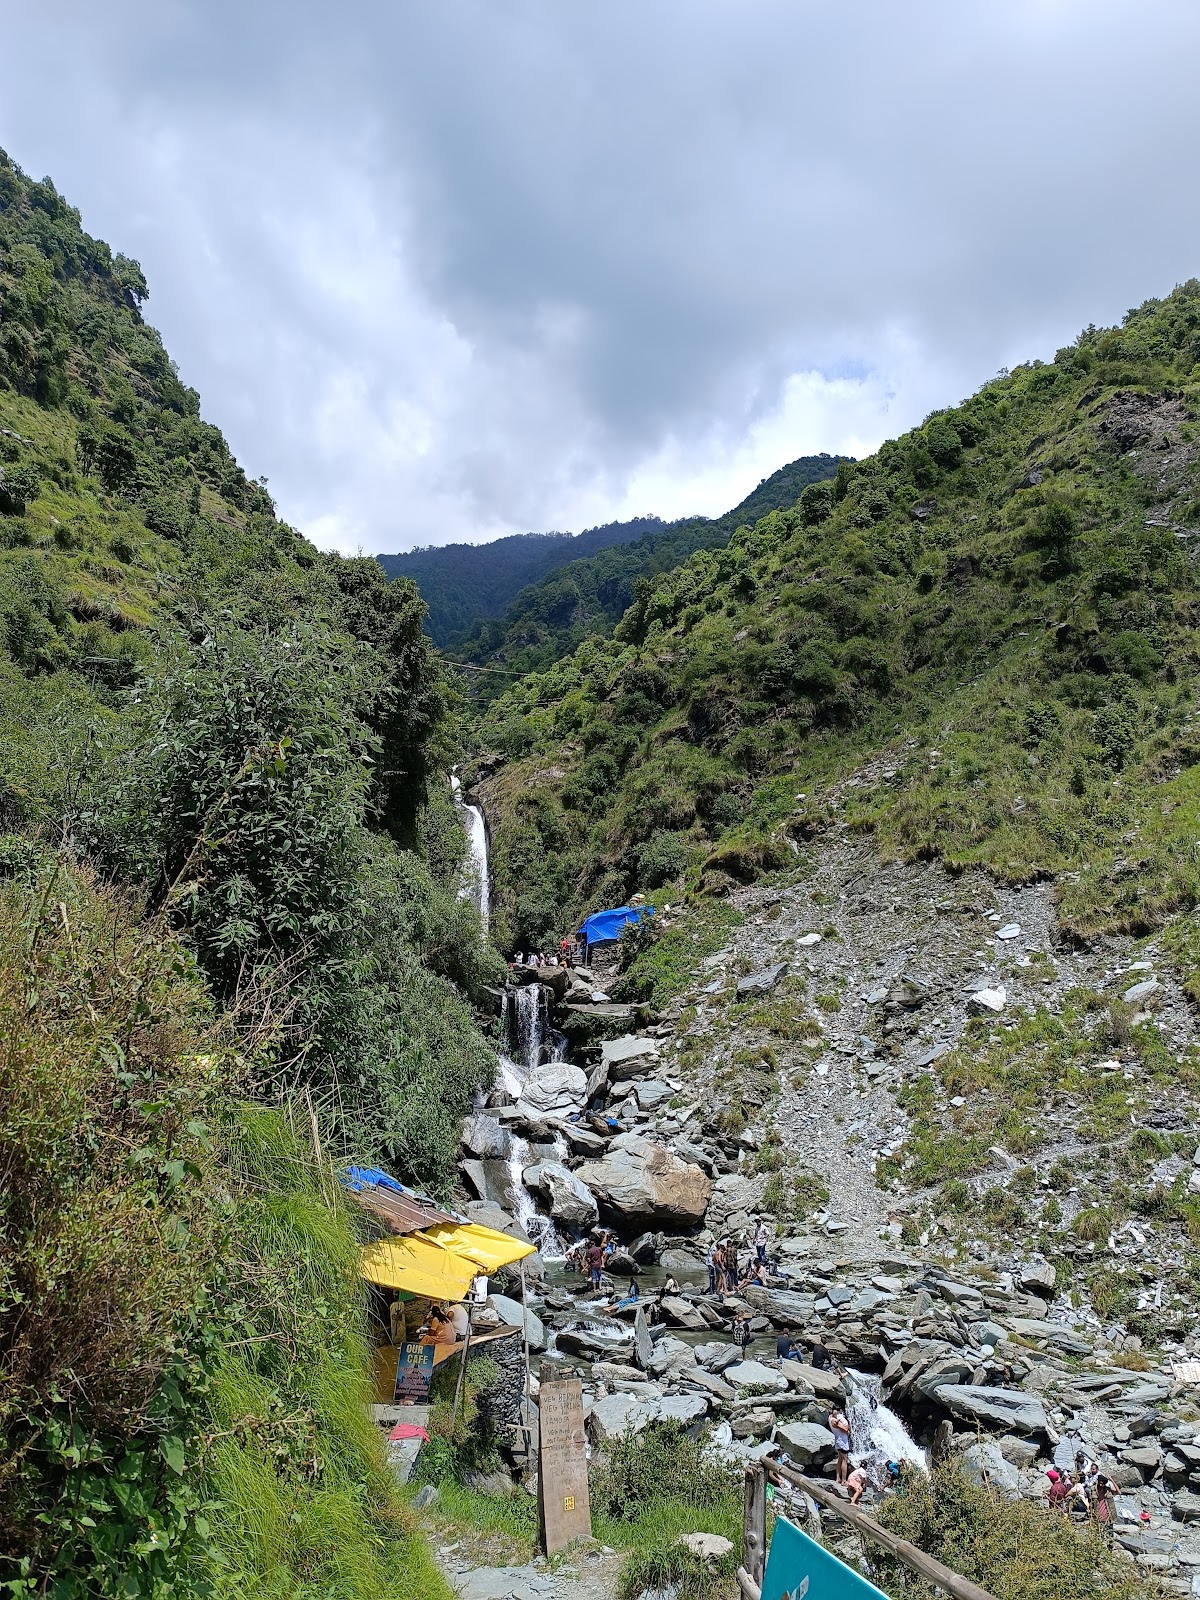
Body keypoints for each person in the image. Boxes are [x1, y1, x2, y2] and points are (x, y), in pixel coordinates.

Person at [828, 1408, 851, 1485]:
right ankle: (844, 1480)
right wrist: (847, 1429)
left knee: (840, 1459)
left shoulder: (830, 1418)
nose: (836, 1414)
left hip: (838, 1440)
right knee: (845, 1460)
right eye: (835, 1413)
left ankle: (838, 1478)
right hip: (842, 1442)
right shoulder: (835, 1421)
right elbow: (845, 1429)